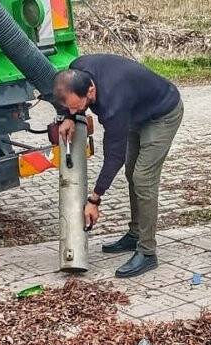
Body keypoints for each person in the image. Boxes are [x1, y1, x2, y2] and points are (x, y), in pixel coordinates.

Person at [53, 54, 182, 279]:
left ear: (91, 92)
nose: (75, 111)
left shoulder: (113, 102)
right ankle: (135, 235)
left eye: (77, 108)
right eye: (70, 108)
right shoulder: (77, 71)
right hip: (136, 113)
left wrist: (94, 199)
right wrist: (68, 118)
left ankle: (147, 252)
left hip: (162, 114)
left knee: (143, 178)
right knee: (133, 173)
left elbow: (114, 156)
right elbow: (67, 100)